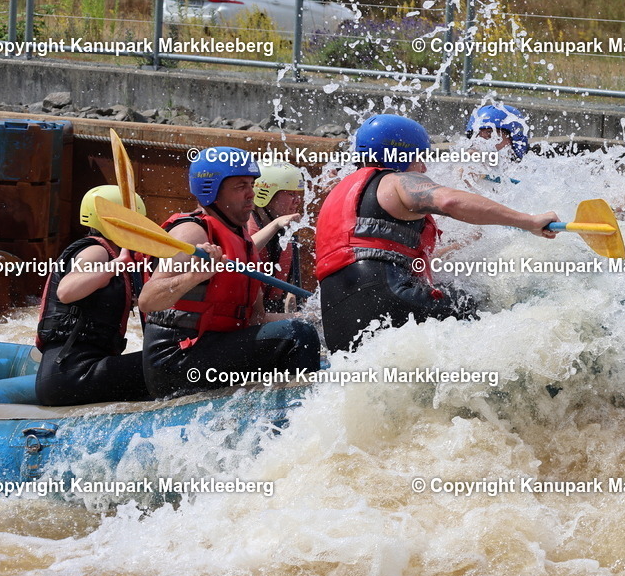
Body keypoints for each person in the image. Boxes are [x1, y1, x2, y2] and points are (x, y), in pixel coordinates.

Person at [316, 114, 558, 353]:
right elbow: (451, 201)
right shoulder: (396, 181)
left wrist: (459, 245)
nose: (424, 167)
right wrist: (528, 221)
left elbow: (373, 251)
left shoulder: (340, 193)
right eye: (420, 157)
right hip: (388, 299)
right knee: (479, 304)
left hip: (338, 326)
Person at [138, 147, 320, 399]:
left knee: (302, 327)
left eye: (252, 184)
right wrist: (194, 276)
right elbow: (148, 299)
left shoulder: (242, 240)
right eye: (240, 186)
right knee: (297, 336)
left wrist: (312, 317)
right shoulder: (193, 233)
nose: (251, 194)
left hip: (214, 350)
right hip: (177, 360)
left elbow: (256, 319)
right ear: (211, 190)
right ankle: (294, 419)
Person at [35, 185, 151, 405]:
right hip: (73, 375)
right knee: (163, 363)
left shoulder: (114, 256)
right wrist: (115, 265)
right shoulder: (96, 251)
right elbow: (67, 291)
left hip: (77, 372)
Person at [247, 161, 305, 314]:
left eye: (298, 195)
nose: (297, 201)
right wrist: (275, 224)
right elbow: (242, 253)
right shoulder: (244, 227)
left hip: (271, 314)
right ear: (265, 195)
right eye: (291, 194)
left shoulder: (286, 233)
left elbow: (290, 297)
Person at [466, 103, 530, 161]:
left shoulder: (528, 170)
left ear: (515, 142)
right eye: (478, 139)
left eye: (491, 137)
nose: (484, 144)